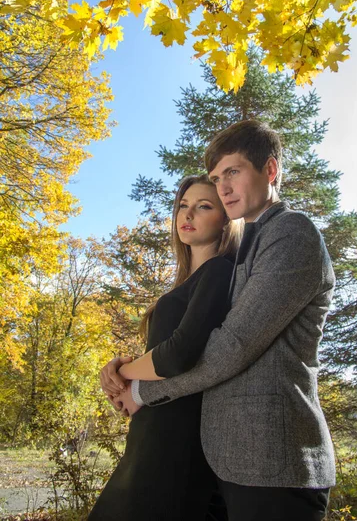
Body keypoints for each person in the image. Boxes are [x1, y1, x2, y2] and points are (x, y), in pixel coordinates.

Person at [102, 120, 336, 521]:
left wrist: (141, 390)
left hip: (275, 462)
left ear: (270, 171)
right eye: (216, 176)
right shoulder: (248, 248)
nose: (223, 186)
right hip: (226, 464)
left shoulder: (292, 233)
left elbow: (232, 348)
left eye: (233, 172)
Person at [89, 175, 242, 521]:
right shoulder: (187, 282)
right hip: (151, 430)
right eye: (183, 206)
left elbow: (179, 353)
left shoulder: (219, 271)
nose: (188, 215)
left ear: (225, 220)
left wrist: (124, 375)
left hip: (176, 437)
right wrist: (121, 376)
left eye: (204, 206)